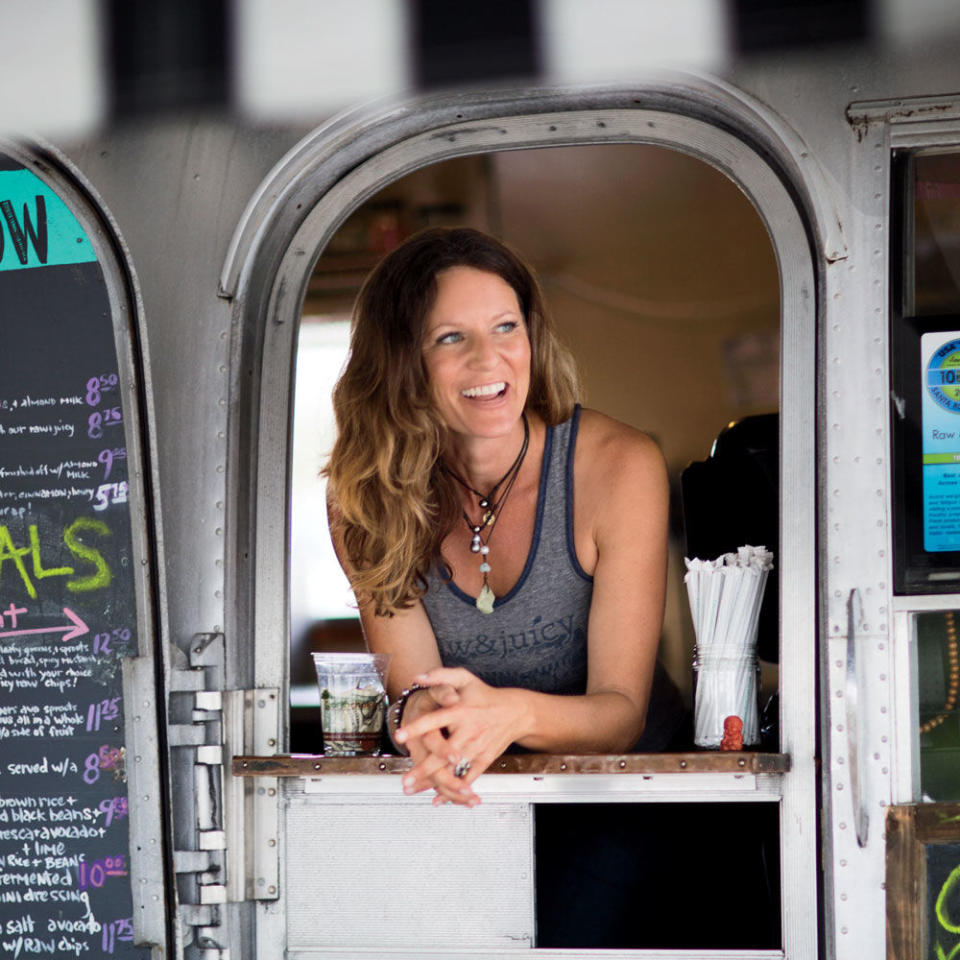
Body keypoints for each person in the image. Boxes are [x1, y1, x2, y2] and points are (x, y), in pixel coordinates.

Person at [326, 226, 684, 803]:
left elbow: (620, 715)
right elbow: (414, 696)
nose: (487, 358)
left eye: (505, 327)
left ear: (531, 336)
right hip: (475, 792)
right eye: (449, 337)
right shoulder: (366, 496)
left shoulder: (619, 466)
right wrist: (419, 712)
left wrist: (511, 714)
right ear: (399, 362)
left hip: (628, 792)